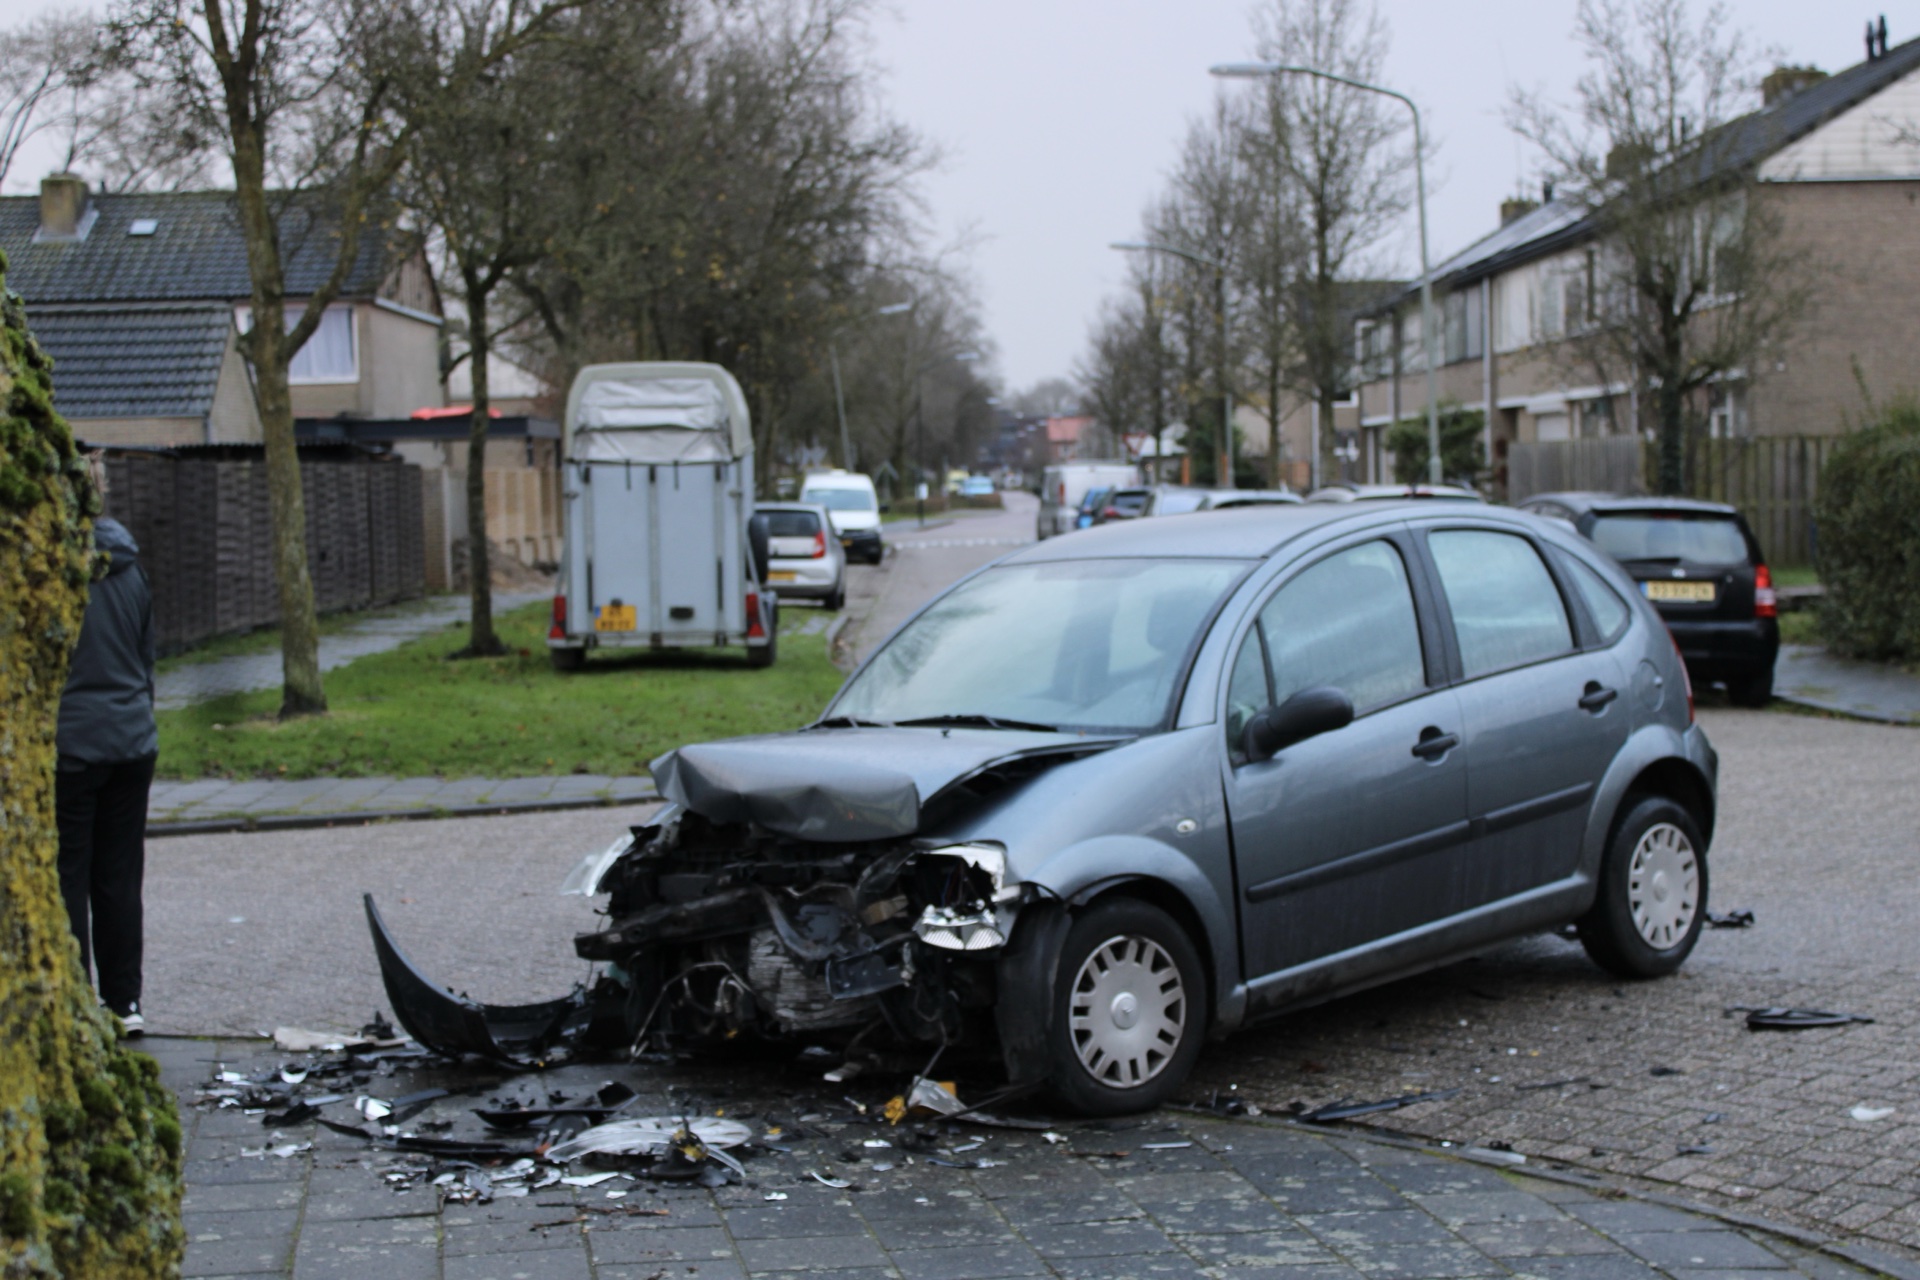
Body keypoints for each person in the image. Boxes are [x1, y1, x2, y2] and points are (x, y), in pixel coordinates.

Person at [56, 512, 158, 1037]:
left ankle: (75, 998)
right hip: (132, 738)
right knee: (119, 876)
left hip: (70, 742)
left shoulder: (48, 568)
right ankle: (125, 1001)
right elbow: (146, 657)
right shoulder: (131, 567)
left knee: (67, 873)